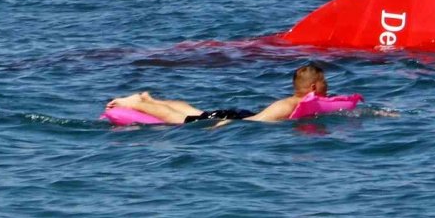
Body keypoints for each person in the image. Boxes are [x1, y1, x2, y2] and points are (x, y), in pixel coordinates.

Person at [105, 63, 330, 125]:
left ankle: (149, 99)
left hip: (241, 114)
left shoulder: (296, 104)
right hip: (239, 119)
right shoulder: (288, 105)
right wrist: (227, 124)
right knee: (182, 120)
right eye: (324, 84)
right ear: (313, 88)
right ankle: (136, 103)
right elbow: (256, 123)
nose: (327, 88)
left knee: (195, 111)